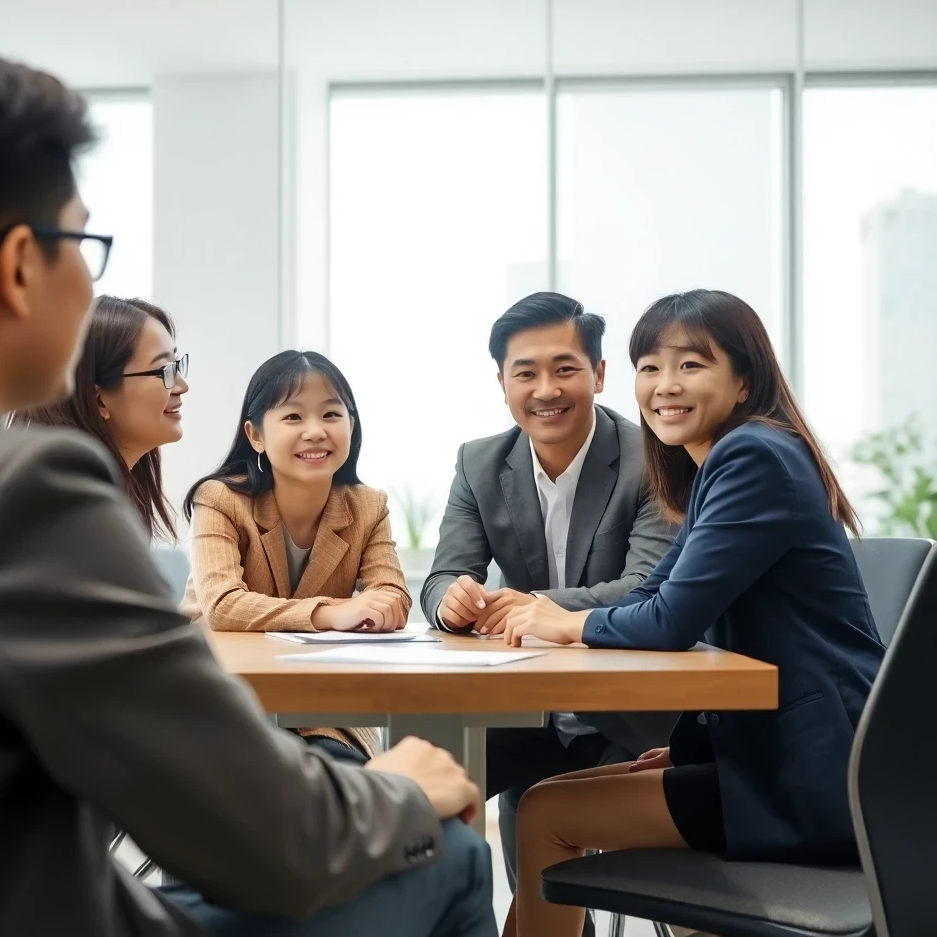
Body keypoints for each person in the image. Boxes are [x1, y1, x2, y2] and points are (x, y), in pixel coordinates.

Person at [0, 51, 496, 937]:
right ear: (21, 264)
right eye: (83, 246)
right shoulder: (23, 495)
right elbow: (273, 840)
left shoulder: (360, 503)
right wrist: (401, 787)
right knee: (455, 849)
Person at [500, 289, 885, 937]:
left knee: (545, 815)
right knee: (557, 801)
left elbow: (668, 620)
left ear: (742, 381)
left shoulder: (753, 457)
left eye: (690, 365)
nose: (663, 386)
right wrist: (687, 753)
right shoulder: (731, 464)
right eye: (649, 367)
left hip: (812, 784)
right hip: (790, 764)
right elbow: (651, 594)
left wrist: (562, 621)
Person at [419, 292, 677, 902]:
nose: (545, 389)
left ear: (600, 374)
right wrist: (450, 601)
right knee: (421, 790)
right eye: (525, 373)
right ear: (502, 383)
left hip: (633, 717)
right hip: (527, 712)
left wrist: (532, 605)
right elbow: (440, 577)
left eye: (565, 369)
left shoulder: (651, 458)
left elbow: (647, 588)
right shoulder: (481, 463)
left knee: (541, 819)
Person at [180, 349, 411, 761]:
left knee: (346, 785)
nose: (315, 431)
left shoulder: (368, 506)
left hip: (328, 713)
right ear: (255, 436)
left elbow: (392, 597)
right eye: (293, 417)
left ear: (351, 426)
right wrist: (333, 613)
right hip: (223, 702)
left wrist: (384, 606)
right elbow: (222, 607)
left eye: (331, 415)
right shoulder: (221, 499)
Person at [10, 294, 188, 541]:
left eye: (177, 366)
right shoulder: (72, 509)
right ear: (99, 400)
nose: (182, 385)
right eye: (164, 370)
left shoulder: (100, 495)